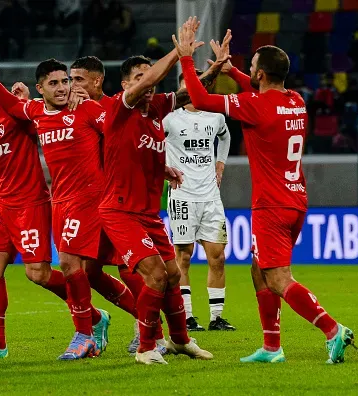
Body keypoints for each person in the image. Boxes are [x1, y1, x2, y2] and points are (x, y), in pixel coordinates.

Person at [175, 20, 355, 363]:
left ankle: (333, 330)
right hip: (296, 199)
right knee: (259, 270)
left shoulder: (255, 107)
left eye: (252, 67)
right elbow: (258, 89)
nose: (249, 72)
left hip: (271, 206)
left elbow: (198, 96)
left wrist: (186, 59)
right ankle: (272, 346)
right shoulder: (296, 100)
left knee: (277, 278)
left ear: (259, 75)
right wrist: (232, 70)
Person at [0, 58, 143, 359]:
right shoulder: (35, 111)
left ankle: (85, 334)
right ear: (40, 89)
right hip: (61, 201)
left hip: (91, 199)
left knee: (71, 262)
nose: (63, 88)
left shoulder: (87, 108)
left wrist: (158, 164)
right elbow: (10, 105)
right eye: (55, 83)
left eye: (66, 81)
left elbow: (121, 130)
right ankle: (146, 323)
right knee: (91, 272)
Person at [97, 18, 214, 365]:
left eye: (147, 79)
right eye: (138, 79)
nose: (146, 86)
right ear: (125, 85)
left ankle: (180, 340)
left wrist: (210, 70)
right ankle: (147, 346)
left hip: (147, 213)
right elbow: (150, 81)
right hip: (119, 211)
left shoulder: (155, 111)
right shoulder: (120, 108)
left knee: (174, 273)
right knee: (156, 275)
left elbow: (184, 94)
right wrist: (176, 55)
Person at [0, 62, 79, 361]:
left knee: (37, 274)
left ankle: (89, 313)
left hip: (30, 203)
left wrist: (26, 101)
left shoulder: (13, 110)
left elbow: (43, 121)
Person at [69, 55, 168, 353]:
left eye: (78, 80)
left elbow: (131, 143)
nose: (72, 86)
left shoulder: (113, 107)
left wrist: (163, 168)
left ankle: (153, 332)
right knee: (88, 270)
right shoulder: (73, 106)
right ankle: (111, 321)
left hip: (116, 201)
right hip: (82, 201)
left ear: (97, 81)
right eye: (68, 80)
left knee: (130, 268)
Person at [164, 70, 235, 332]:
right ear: (181, 88)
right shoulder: (169, 119)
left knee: (217, 256)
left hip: (210, 197)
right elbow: (150, 143)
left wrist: (220, 165)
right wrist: (164, 169)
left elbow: (226, 137)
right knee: (183, 256)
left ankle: (217, 317)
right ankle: (188, 317)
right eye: (186, 86)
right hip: (182, 195)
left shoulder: (216, 117)